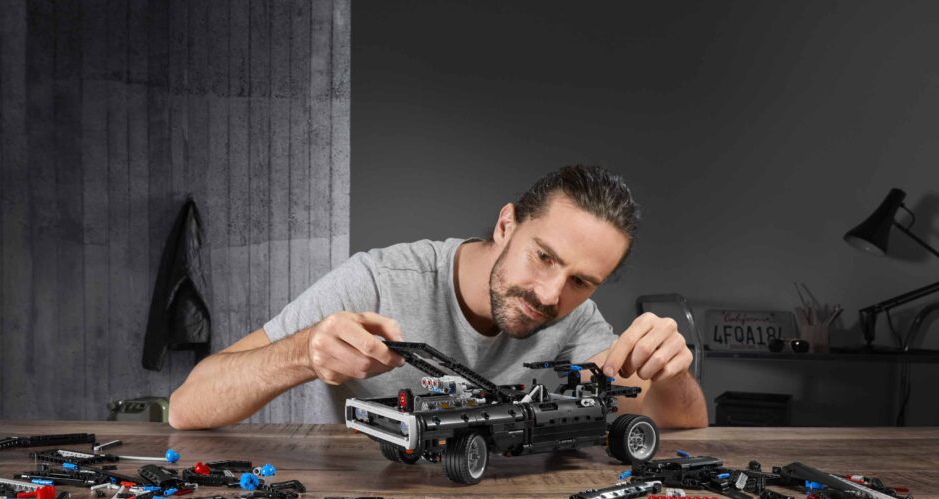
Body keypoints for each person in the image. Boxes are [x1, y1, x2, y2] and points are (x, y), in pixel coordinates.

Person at [168, 164, 708, 430]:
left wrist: (673, 373)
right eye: (543, 256)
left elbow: (676, 419)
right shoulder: (375, 281)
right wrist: (303, 352)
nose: (550, 295)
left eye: (581, 282)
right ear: (506, 225)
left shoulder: (576, 318)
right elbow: (187, 406)